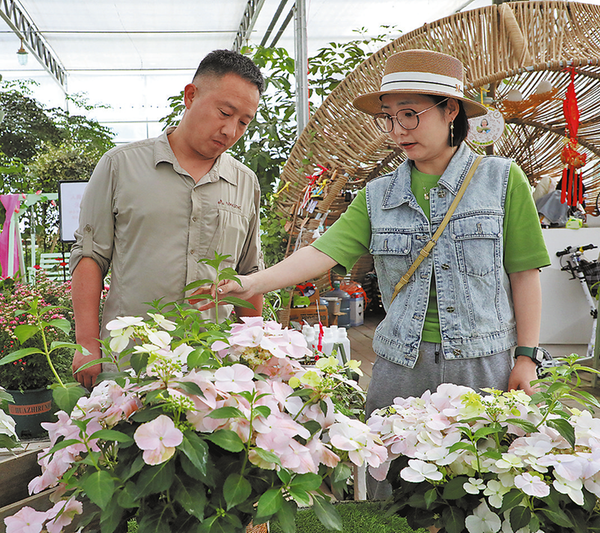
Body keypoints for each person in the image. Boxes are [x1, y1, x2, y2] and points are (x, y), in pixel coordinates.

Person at [198, 48, 550, 415]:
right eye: (390, 117)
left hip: (480, 363)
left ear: (450, 110)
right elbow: (322, 252)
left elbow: (524, 273)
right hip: (400, 365)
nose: (398, 130)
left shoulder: (501, 180)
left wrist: (526, 356)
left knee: (479, 464)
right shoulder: (378, 196)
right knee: (392, 466)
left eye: (411, 115)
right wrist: (252, 284)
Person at [70, 50, 265, 389]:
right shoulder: (121, 166)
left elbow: (249, 275)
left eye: (244, 122)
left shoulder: (244, 182)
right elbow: (90, 256)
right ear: (191, 96)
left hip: (213, 365)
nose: (231, 130)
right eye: (224, 112)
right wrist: (87, 342)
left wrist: (255, 352)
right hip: (130, 360)